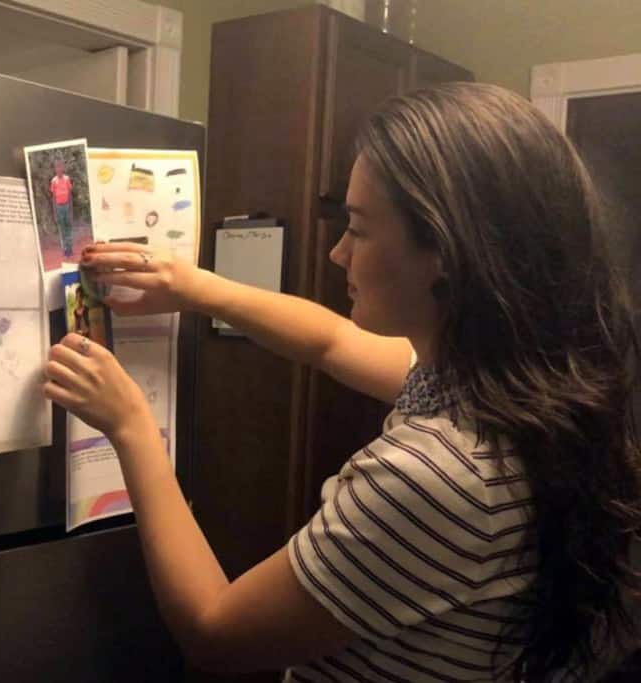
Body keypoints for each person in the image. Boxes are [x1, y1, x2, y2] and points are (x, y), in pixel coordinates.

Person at [48, 83, 641, 681]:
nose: (336, 253)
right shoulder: (516, 392)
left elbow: (212, 632)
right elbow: (331, 342)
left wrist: (131, 427)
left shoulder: (438, 476)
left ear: (443, 249)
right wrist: (196, 287)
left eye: (357, 229)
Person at [49, 158, 75, 258]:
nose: (59, 168)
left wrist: (71, 211)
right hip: (59, 208)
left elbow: (70, 195)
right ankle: (65, 250)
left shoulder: (67, 179)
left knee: (68, 228)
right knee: (62, 229)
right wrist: (55, 213)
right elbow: (53, 198)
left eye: (60, 166)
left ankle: (70, 248)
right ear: (55, 169)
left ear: (63, 167)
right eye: (57, 166)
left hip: (67, 206)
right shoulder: (53, 181)